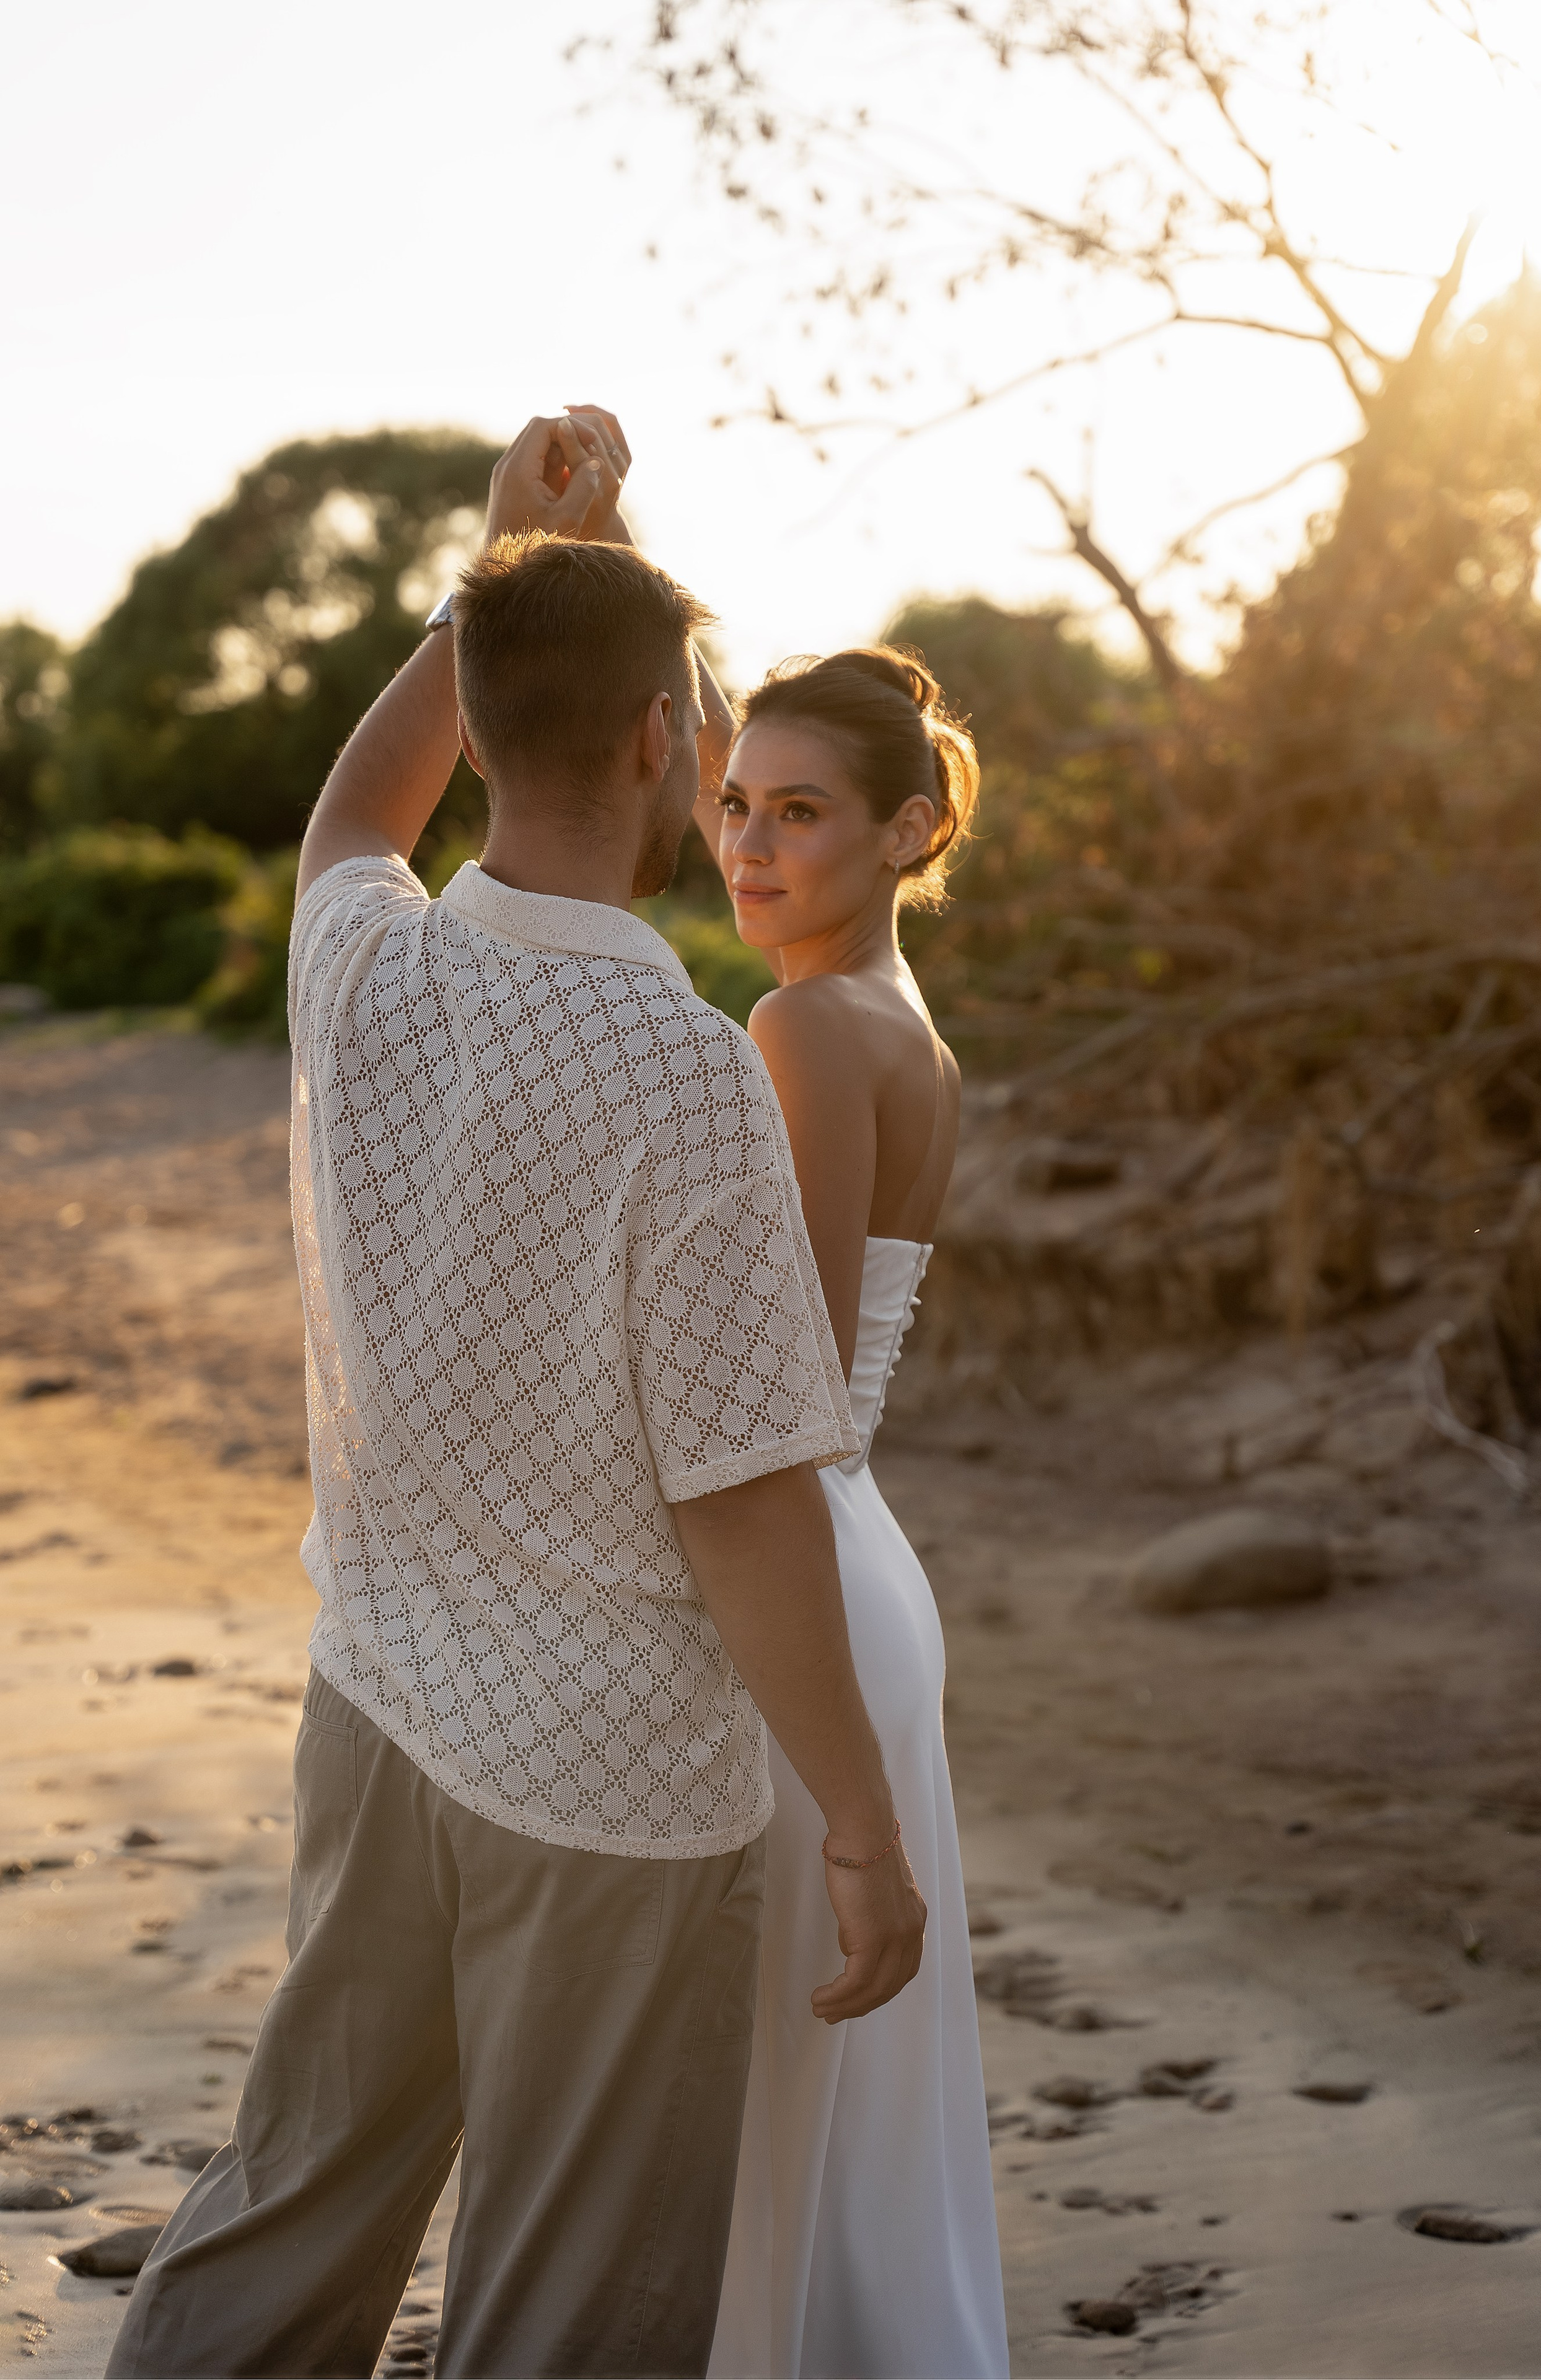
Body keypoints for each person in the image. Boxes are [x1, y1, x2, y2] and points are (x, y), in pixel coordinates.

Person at [105, 410, 925, 2380]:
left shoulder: (356, 960)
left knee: (298, 2189)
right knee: (572, 2305)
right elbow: (741, 1499)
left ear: (475, 731)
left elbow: (352, 818)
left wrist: (491, 569)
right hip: (614, 1785)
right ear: (665, 741)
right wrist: (861, 1815)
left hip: (376, 1702)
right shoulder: (695, 1074)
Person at [690, 646, 1011, 2378]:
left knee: (781, 2077)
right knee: (850, 2109)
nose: (749, 844)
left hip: (799, 1569)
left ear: (913, 827)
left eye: (799, 812)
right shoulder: (913, 1032)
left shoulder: (803, 1022)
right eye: (734, 803)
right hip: (867, 1564)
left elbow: (781, 1373)